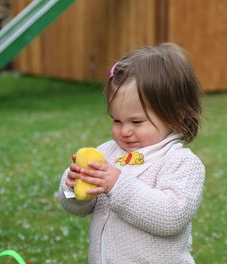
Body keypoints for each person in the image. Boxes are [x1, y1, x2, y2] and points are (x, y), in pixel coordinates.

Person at [58, 43, 205, 264]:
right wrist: (72, 187)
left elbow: (170, 217)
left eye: (137, 121)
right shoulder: (106, 153)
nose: (124, 131)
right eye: (117, 120)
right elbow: (78, 208)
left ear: (176, 113)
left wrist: (117, 185)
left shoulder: (181, 163)